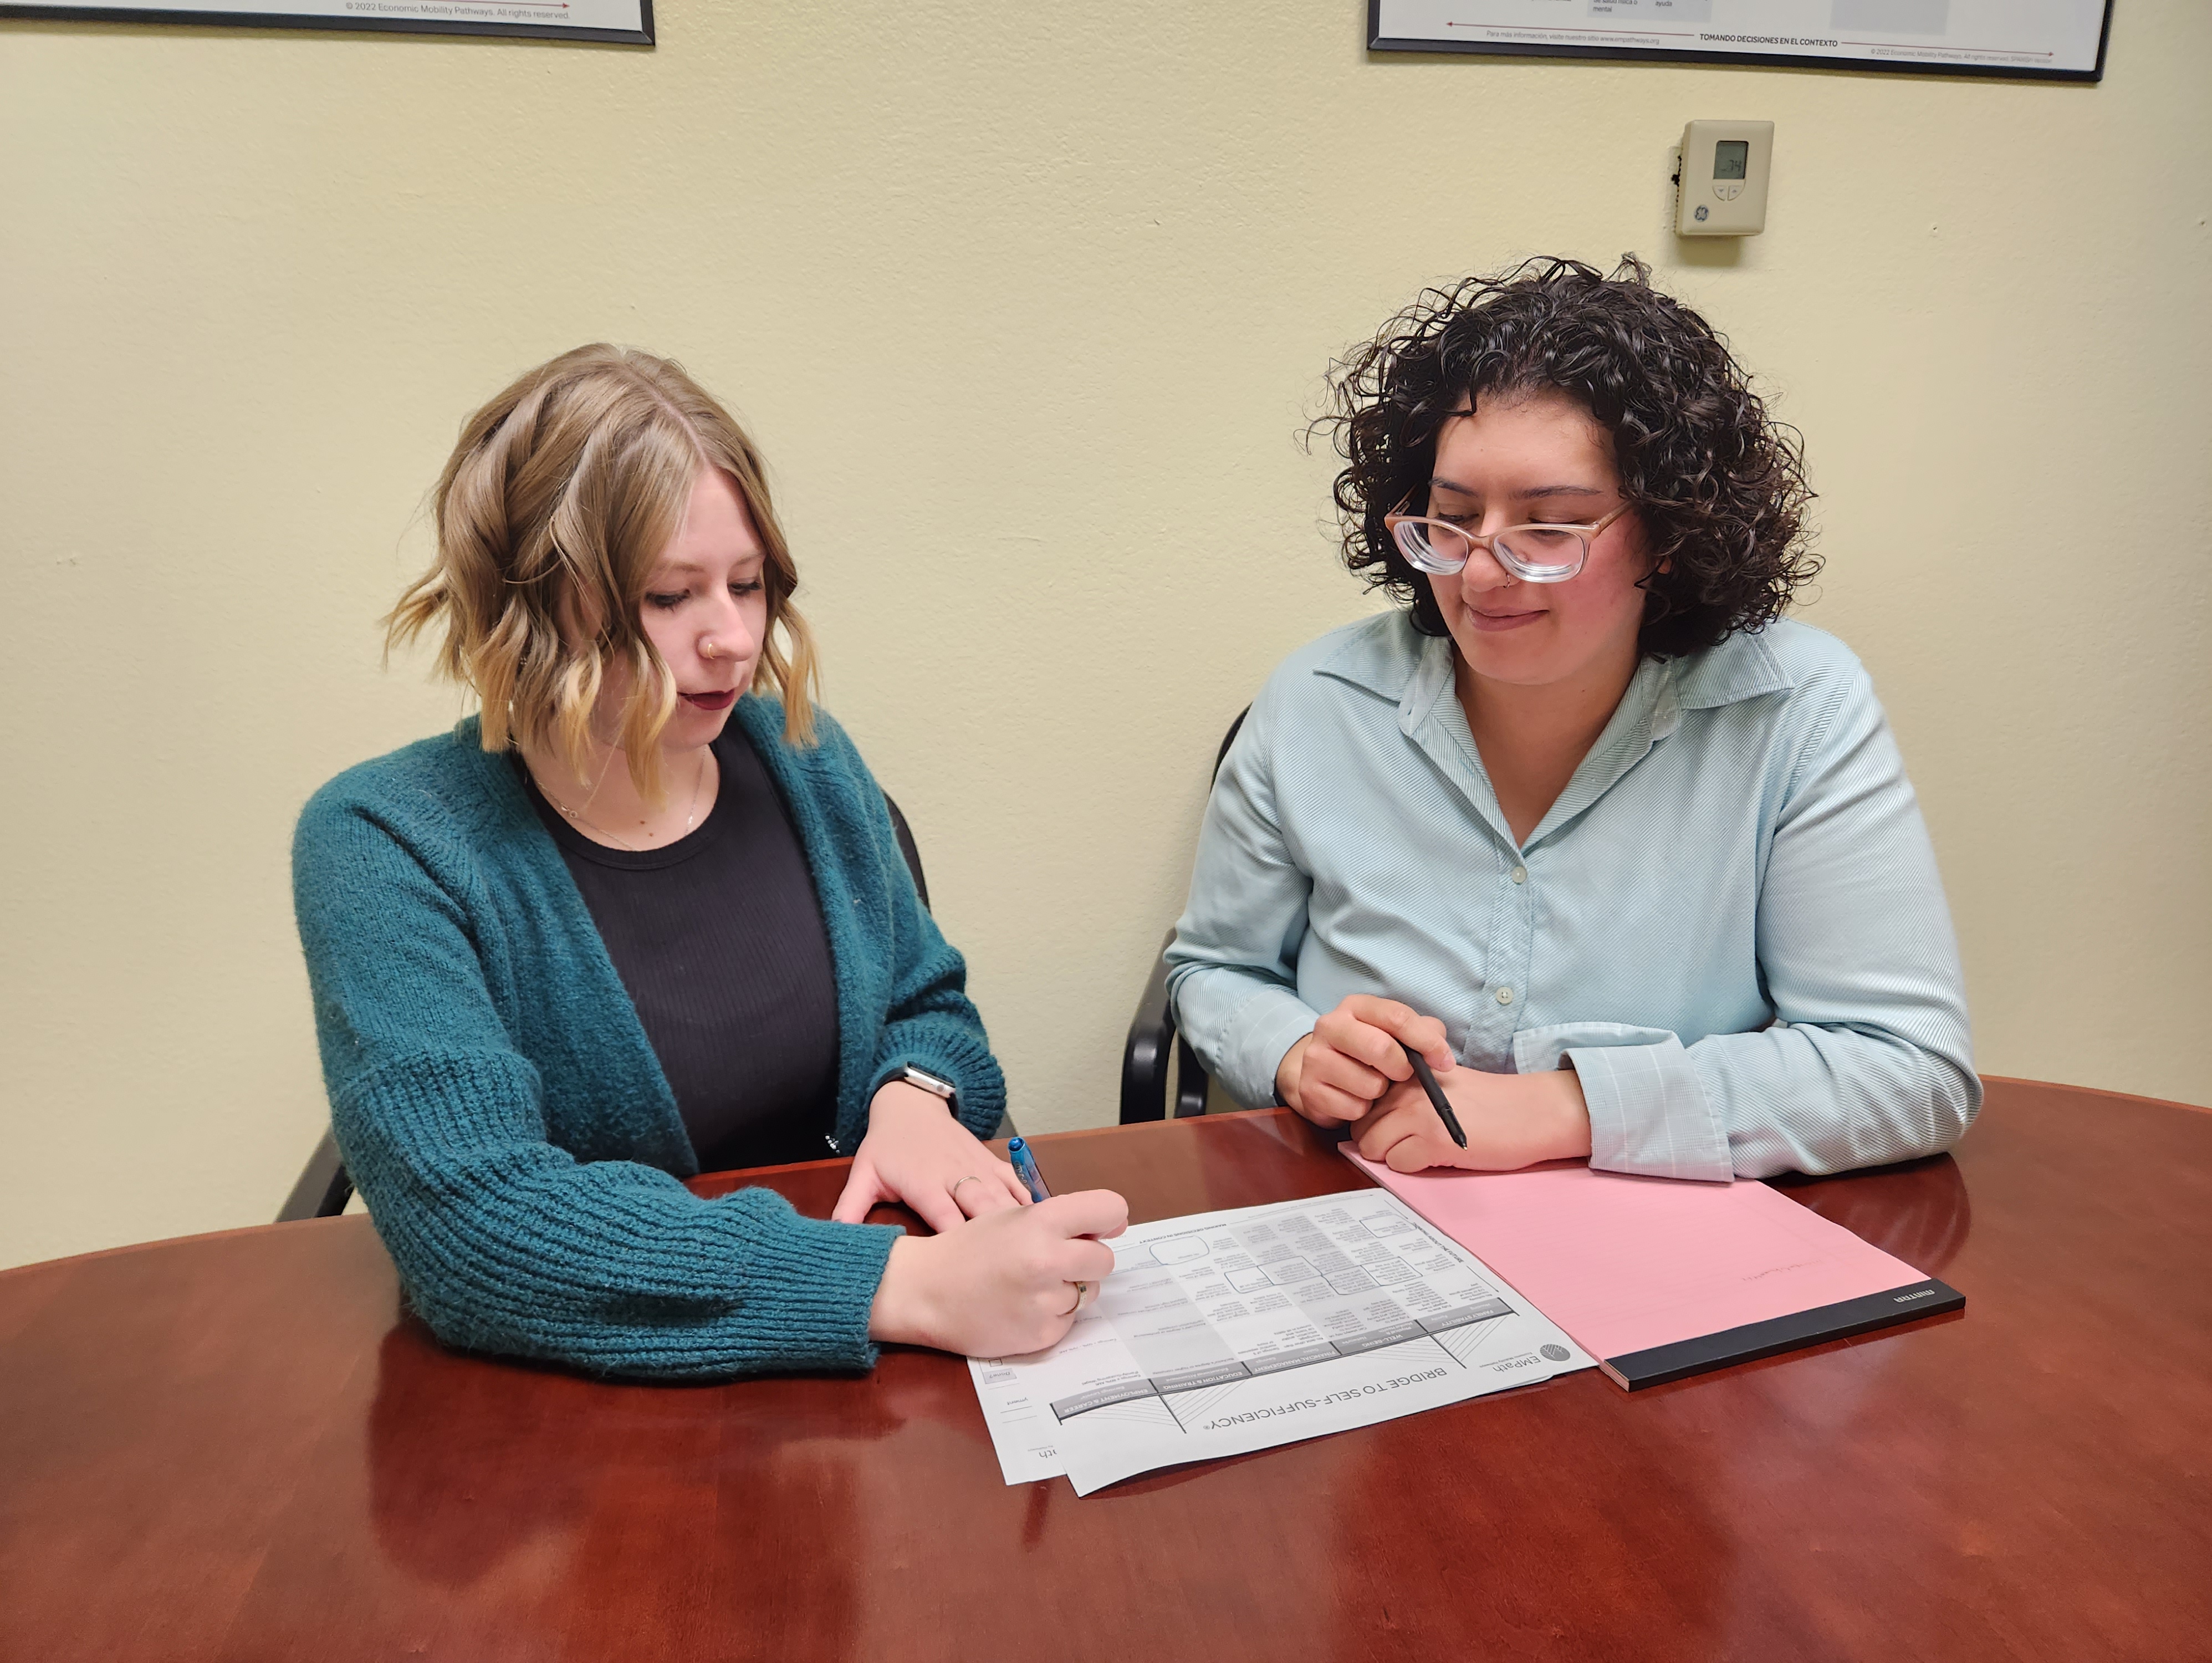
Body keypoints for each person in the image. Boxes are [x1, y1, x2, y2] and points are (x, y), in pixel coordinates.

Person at [293, 344, 1123, 1379]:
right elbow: (475, 1221)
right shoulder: (386, 840)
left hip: (867, 1393)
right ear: (533, 603)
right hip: (584, 1429)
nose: (733, 638)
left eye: (749, 583)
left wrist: (912, 1091)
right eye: (670, 597)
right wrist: (890, 1287)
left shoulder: (805, 760)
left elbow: (928, 1005)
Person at [1165, 257, 1979, 1181]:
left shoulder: (1795, 709)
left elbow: (1910, 1070)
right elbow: (1214, 972)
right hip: (1366, 1213)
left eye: (1548, 528)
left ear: (1669, 534)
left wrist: (1569, 1107)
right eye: (1452, 517)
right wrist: (1294, 1052)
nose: (1478, 574)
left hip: (1663, 1242)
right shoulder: (1317, 699)